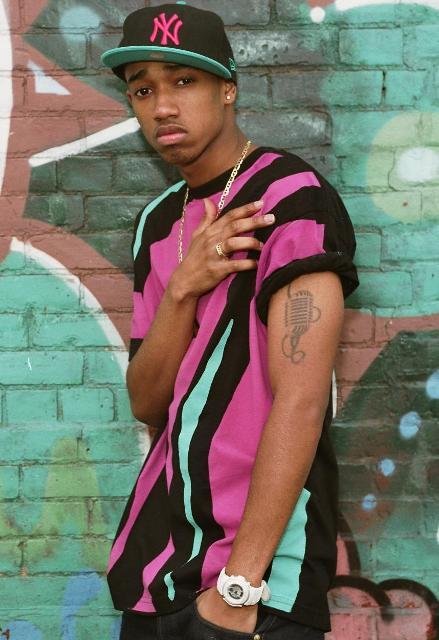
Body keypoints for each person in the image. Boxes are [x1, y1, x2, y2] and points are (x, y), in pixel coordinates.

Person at [101, 3, 358, 639]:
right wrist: (183, 288)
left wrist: (240, 586)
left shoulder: (289, 197)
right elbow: (147, 401)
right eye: (143, 90)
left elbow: (301, 401)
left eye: (184, 81)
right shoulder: (158, 222)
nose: (163, 106)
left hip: (259, 578)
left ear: (228, 88)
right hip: (157, 570)